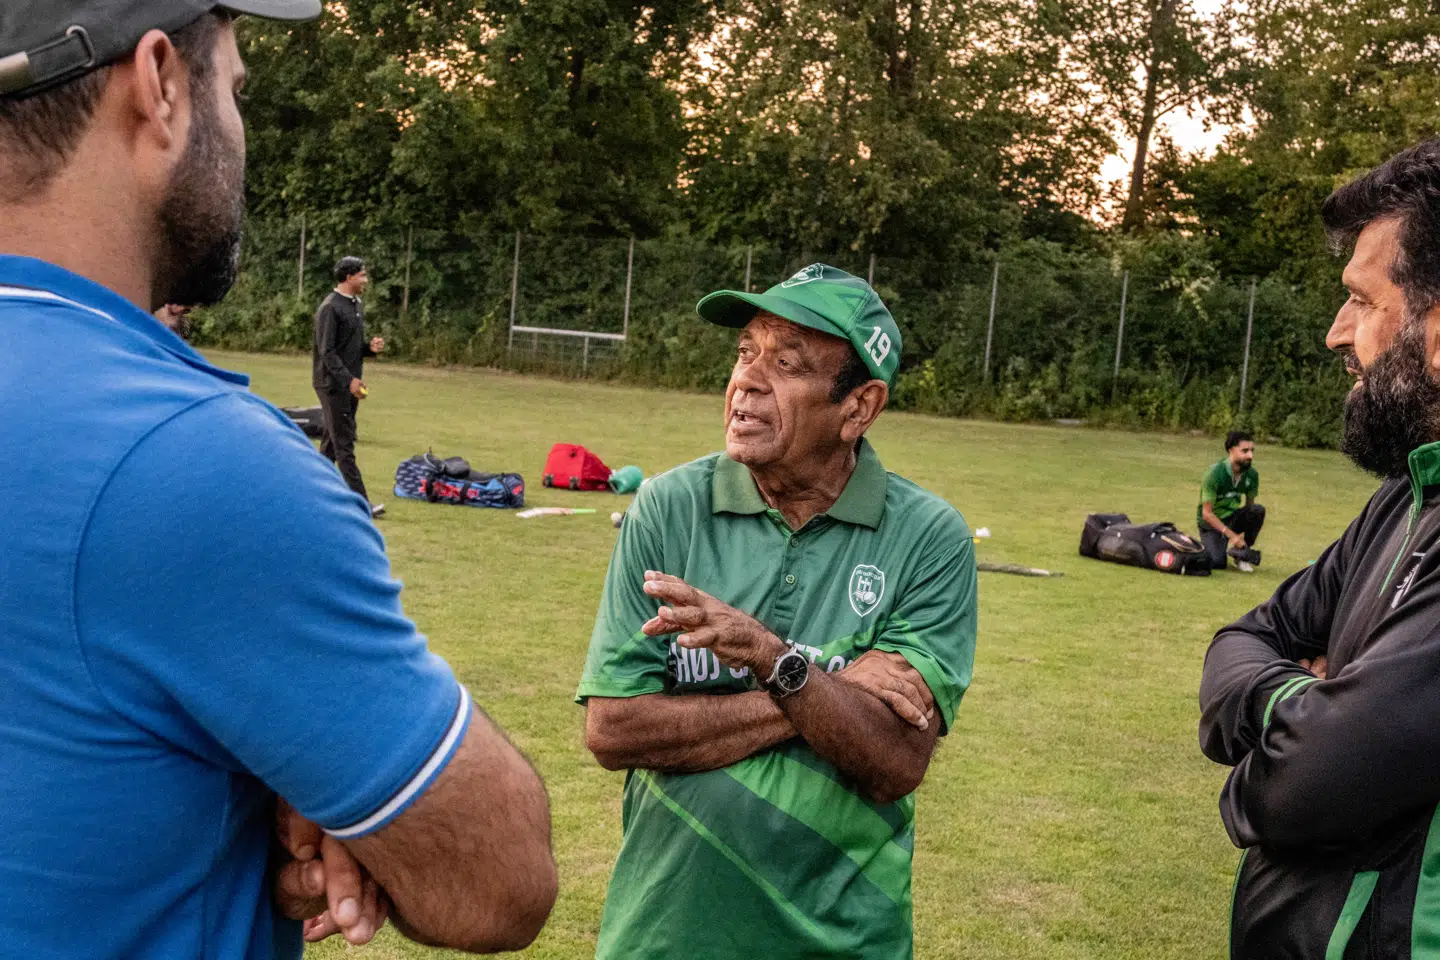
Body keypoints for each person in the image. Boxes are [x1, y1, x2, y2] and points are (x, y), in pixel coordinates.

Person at [0, 4, 556, 958]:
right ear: (163, 83)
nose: (240, 124)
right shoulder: (190, 458)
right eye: (236, 89)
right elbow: (496, 884)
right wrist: (289, 773)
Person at [577, 264, 977, 959]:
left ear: (858, 408)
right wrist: (826, 688)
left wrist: (769, 657)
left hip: (841, 941)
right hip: (665, 935)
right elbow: (614, 729)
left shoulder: (929, 538)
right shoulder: (670, 508)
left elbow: (892, 761)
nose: (747, 382)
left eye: (786, 363)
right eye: (745, 353)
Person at [1199, 138, 1440, 956]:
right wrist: (1302, 704)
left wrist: (1277, 752)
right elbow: (1241, 638)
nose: (1339, 333)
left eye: (1363, 302)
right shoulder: (1401, 502)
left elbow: (1315, 780)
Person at [313, 255, 385, 518]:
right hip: (332, 384)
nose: (366, 280)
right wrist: (349, 380)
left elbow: (350, 348)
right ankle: (361, 505)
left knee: (330, 447)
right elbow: (327, 352)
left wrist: (370, 350)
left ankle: (310, 494)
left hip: (350, 384)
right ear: (348, 277)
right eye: (362, 275)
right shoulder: (330, 308)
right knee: (345, 445)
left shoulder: (356, 304)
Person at [1197, 430, 1264, 572]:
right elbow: (1207, 514)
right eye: (1245, 451)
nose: (1250, 455)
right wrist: (1232, 535)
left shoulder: (1252, 475)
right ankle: (1198, 546)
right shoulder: (1214, 473)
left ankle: (1242, 555)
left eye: (1252, 451)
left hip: (1231, 517)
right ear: (1231, 450)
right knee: (1217, 562)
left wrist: (1241, 539)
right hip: (1211, 523)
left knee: (1257, 510)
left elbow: (1249, 508)